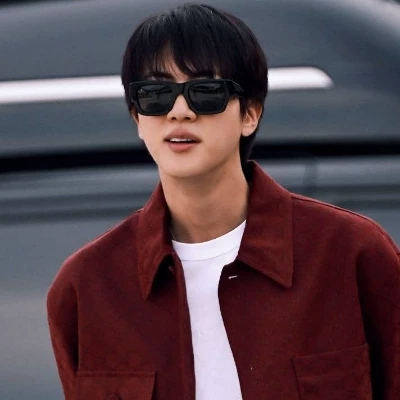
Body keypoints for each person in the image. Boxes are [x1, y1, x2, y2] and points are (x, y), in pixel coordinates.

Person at [47, 3, 400, 400]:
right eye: (156, 95)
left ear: (250, 113)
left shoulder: (349, 253)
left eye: (206, 93)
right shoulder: (88, 285)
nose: (180, 112)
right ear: (136, 117)